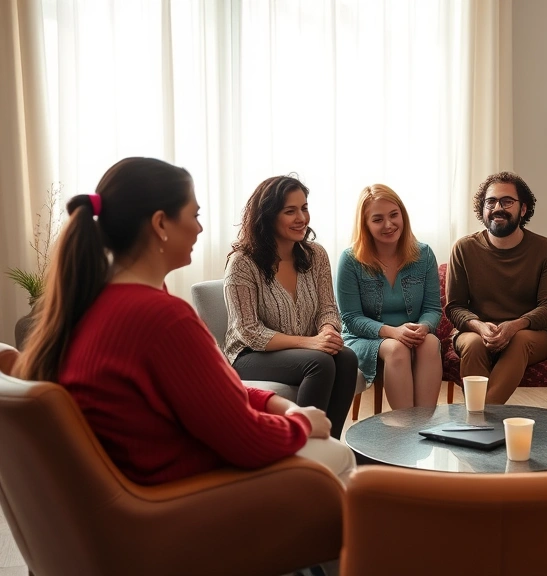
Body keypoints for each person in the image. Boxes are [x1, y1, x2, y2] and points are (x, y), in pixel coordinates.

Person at [13, 158, 355, 489]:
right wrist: (299, 422)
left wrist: (275, 404)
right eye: (194, 215)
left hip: (155, 486)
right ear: (161, 224)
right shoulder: (163, 318)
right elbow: (246, 440)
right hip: (183, 498)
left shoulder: (94, 301)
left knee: (335, 392)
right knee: (338, 457)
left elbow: (211, 392)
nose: (200, 228)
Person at [224, 175, 357, 439]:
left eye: (304, 208)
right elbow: (248, 331)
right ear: (268, 216)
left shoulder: (315, 254)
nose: (302, 218)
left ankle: (328, 445)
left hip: (306, 348)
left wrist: (328, 331)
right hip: (249, 355)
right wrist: (309, 343)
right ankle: (301, 446)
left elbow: (328, 308)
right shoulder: (242, 263)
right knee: (319, 363)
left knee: (346, 358)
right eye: (290, 211)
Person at [445, 171, 547, 405]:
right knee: (474, 344)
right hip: (475, 331)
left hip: (532, 334)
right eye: (491, 201)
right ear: (483, 208)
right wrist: (478, 326)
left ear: (524, 209)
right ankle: (483, 425)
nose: (498, 207)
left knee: (519, 341)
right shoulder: (464, 248)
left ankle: (477, 421)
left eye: (507, 201)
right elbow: (455, 307)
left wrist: (514, 326)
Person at [336, 184, 443, 409]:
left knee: (431, 342)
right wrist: (392, 332)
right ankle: (405, 430)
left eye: (394, 215)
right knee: (396, 349)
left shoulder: (424, 254)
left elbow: (433, 308)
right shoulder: (350, 260)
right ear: (365, 224)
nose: (389, 224)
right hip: (365, 338)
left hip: (412, 334)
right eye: (377, 219)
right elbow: (351, 318)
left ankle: (422, 425)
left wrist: (423, 327)